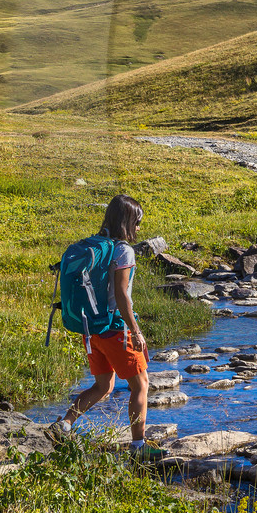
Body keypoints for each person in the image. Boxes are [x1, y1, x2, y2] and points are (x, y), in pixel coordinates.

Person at [51, 195, 165, 458]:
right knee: (140, 385)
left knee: (104, 386)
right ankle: (139, 447)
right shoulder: (122, 250)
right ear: (127, 222)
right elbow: (122, 295)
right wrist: (136, 332)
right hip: (115, 329)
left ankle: (64, 425)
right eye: (137, 223)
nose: (138, 229)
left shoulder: (92, 245)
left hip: (92, 331)